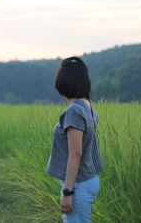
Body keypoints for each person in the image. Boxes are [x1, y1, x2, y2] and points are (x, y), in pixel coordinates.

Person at [45, 56, 103, 223]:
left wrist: (67, 191)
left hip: (79, 184)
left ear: (63, 82)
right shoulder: (87, 106)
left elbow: (75, 154)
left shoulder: (74, 112)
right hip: (87, 180)